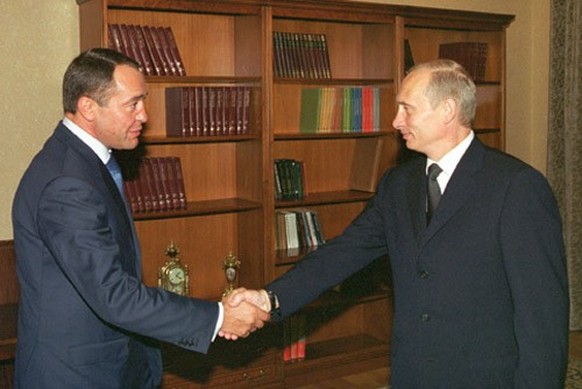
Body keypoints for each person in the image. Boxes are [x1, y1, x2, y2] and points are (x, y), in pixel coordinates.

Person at [225, 59, 570, 388]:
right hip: (412, 374)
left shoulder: (516, 186)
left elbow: (542, 318)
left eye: (407, 108)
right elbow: (344, 252)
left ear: (448, 110)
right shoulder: (398, 184)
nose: (395, 121)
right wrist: (269, 298)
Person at [11, 48, 268, 388]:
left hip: (113, 362)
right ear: (89, 107)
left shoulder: (85, 162)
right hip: (74, 374)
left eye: (143, 101)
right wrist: (218, 317)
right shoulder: (67, 183)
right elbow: (114, 295)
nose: (144, 115)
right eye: (132, 104)